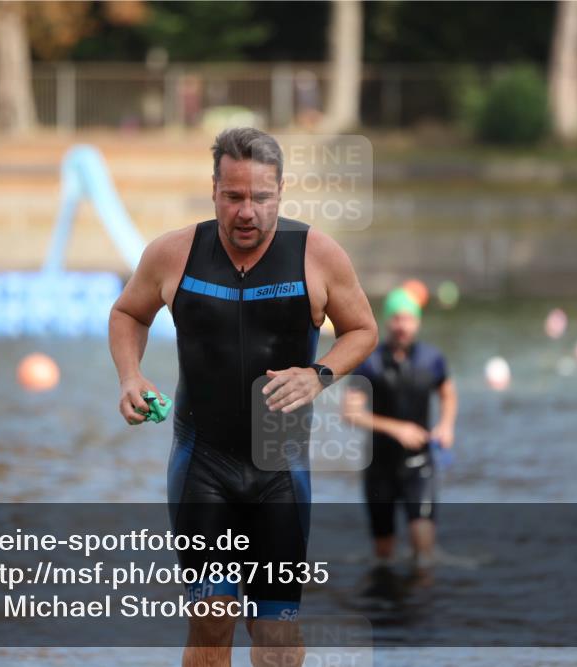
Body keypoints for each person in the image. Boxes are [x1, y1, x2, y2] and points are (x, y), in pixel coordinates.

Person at [108, 127, 378, 667]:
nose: (246, 211)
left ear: (281, 192)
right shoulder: (174, 253)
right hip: (201, 465)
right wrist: (131, 376)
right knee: (211, 623)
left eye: (260, 196)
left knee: (275, 634)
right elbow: (128, 313)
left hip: (280, 467)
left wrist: (318, 374)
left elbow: (363, 330)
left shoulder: (317, 254)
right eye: (233, 196)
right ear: (214, 191)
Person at [343, 287, 457, 567]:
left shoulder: (432, 360)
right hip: (379, 466)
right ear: (386, 322)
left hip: (420, 464)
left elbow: (448, 394)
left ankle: (422, 604)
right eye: (396, 318)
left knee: (424, 553)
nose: (402, 326)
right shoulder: (369, 362)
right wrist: (397, 429)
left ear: (417, 322)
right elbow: (350, 412)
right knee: (384, 556)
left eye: (408, 319)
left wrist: (446, 425)